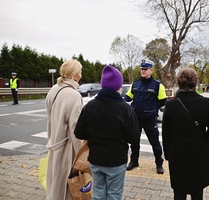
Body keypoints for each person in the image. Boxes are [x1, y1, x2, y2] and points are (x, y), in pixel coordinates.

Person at [74, 65, 140, 200]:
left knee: (98, 194)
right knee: (114, 195)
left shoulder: (90, 106)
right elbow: (134, 137)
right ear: (118, 86)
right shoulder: (124, 109)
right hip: (116, 160)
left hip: (95, 159)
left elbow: (79, 132)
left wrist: (94, 135)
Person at [162, 67, 209, 200]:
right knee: (197, 191)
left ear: (178, 83)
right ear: (195, 83)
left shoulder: (171, 105)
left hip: (178, 154)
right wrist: (206, 139)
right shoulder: (205, 103)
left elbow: (166, 134)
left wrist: (168, 154)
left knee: (179, 191)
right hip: (200, 153)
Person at [45, 59, 83, 200]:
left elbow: (49, 120)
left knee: (55, 183)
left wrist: (52, 139)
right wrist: (81, 154)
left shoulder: (53, 90)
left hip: (55, 143)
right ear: (74, 75)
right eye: (79, 71)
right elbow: (76, 130)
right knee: (67, 188)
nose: (81, 74)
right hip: (68, 149)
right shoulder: (73, 95)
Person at [124, 59, 167, 174]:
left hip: (150, 119)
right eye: (142, 69)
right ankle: (134, 161)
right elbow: (127, 98)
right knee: (134, 142)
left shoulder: (158, 85)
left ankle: (159, 164)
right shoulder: (135, 84)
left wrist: (153, 108)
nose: (143, 71)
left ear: (151, 70)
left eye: (145, 69)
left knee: (155, 143)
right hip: (136, 119)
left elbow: (163, 101)